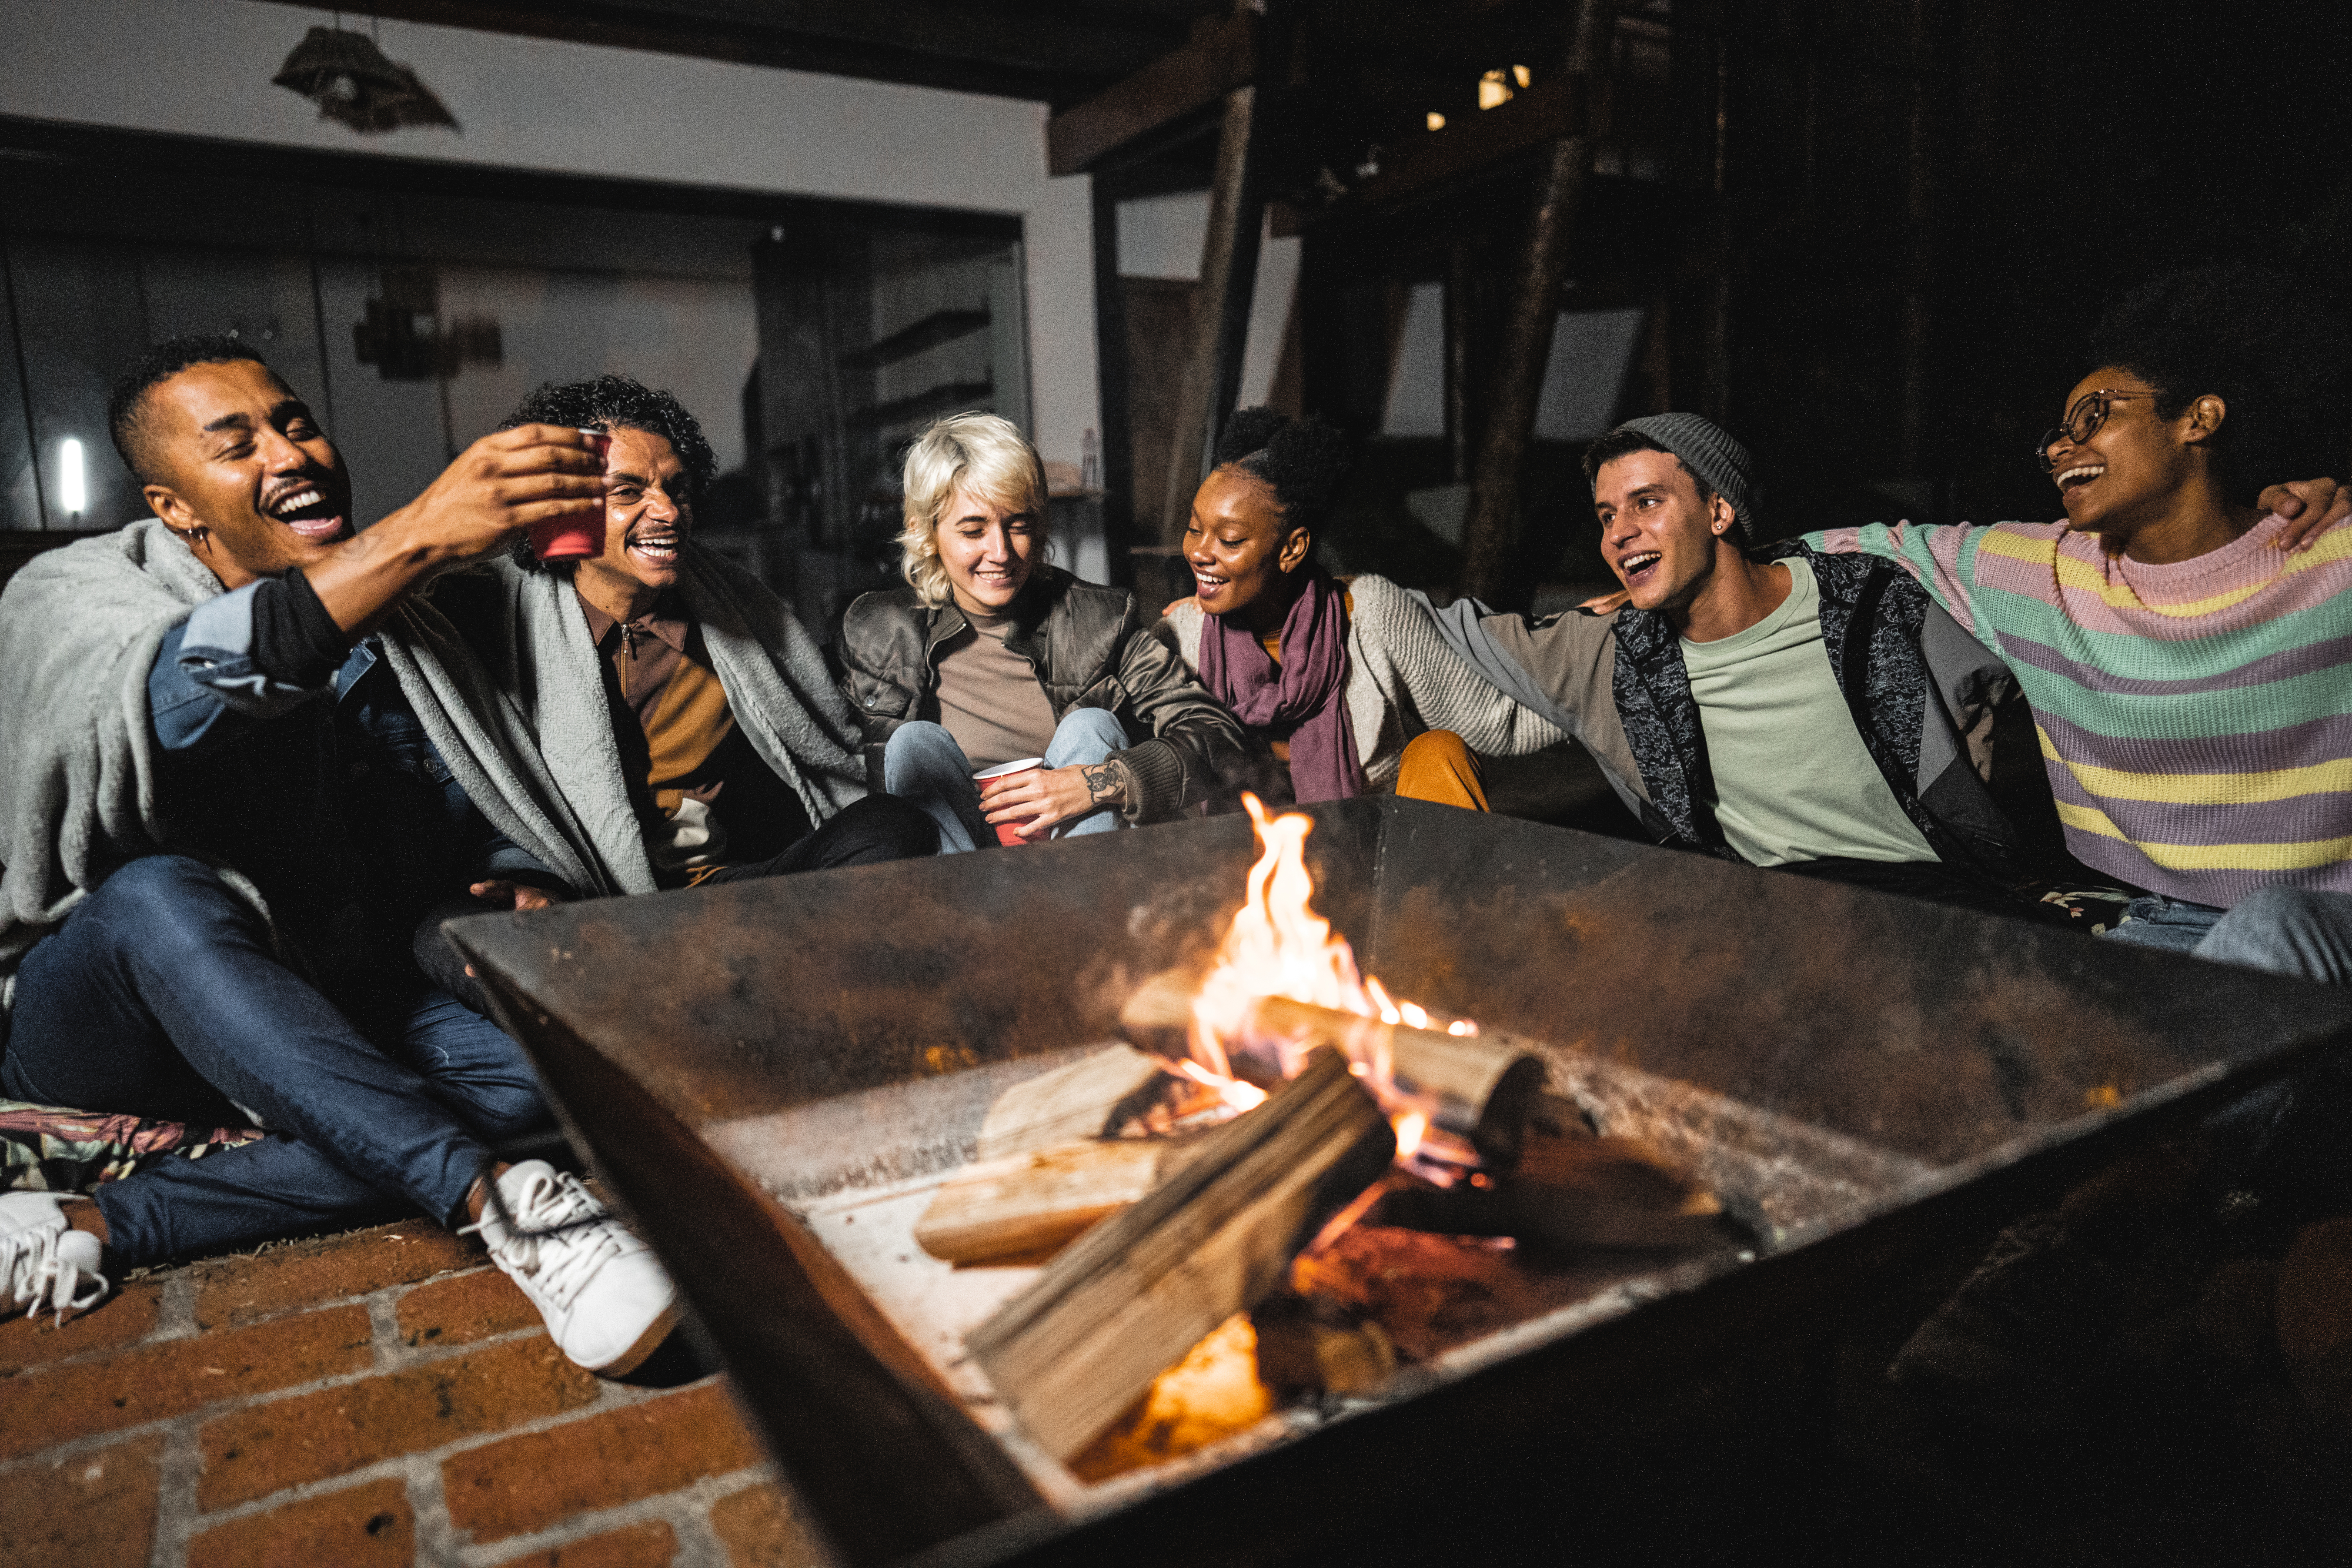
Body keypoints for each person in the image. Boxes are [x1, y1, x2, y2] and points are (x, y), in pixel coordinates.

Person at [0, 336, 676, 1375]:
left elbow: (468, 791)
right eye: (237, 445)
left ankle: (104, 1221)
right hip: (112, 1015)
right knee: (159, 894)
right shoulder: (76, 590)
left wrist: (518, 871)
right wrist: (418, 533)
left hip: (318, 1016)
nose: (289, 453)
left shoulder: (398, 630)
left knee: (576, 1081)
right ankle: (509, 1209)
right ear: (173, 505)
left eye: (296, 421)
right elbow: (162, 704)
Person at [1803, 266, 2352, 981]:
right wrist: (1675, 573)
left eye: (2094, 417)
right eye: (2057, 436)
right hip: (2157, 921)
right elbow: (1866, 542)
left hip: (2325, 919)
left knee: (2267, 926)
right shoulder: (2044, 573)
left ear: (2197, 419)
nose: (2062, 448)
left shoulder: (2325, 557)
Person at [1426, 413, 2057, 917]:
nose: (1618, 533)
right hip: (1764, 914)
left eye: (1646, 503)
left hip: (1935, 901)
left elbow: (2066, 628)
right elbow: (1427, 632)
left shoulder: (1881, 605)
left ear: (1719, 511)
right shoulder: (1615, 648)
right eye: (1606, 515)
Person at [398, 376, 933, 942]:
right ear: (565, 511)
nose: (668, 511)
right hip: (580, 903)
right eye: (627, 492)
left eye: (676, 489)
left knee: (892, 827)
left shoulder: (734, 610)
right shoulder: (494, 615)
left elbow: (821, 748)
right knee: (442, 933)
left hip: (720, 893)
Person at [840, 413, 1246, 852]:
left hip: (1076, 854)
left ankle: (1082, 914)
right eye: (973, 530)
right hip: (959, 865)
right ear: (927, 532)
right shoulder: (878, 630)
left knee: (1089, 727)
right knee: (914, 744)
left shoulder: (1099, 621)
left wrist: (1101, 782)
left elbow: (1219, 737)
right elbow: (827, 758)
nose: (1001, 552)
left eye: (1018, 525)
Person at [1155, 409, 1571, 810]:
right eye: (1194, 529)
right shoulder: (1185, 632)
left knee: (1438, 751)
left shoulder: (1371, 613)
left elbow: (1490, 720)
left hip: (1369, 843)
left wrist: (1606, 670)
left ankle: (1440, 883)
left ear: (1292, 548)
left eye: (1229, 540)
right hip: (1241, 857)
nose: (1199, 552)